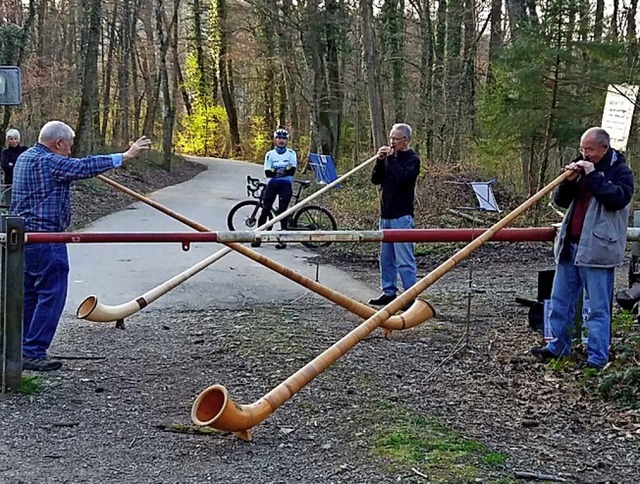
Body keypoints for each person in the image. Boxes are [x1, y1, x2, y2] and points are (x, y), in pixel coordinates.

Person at [10, 120, 151, 371]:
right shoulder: (50, 161)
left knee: (30, 294)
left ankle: (18, 348)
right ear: (58, 143)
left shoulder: (25, 158)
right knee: (52, 294)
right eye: (69, 146)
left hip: (24, 239)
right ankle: (32, 350)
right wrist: (124, 156)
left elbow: (72, 169)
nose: (70, 150)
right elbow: (82, 166)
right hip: (46, 238)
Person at [531, 127, 634, 370]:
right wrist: (568, 182)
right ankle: (558, 347)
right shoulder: (580, 165)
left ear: (604, 148)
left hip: (598, 248)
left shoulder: (622, 172)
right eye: (582, 149)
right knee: (560, 301)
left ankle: (597, 358)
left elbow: (617, 199)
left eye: (589, 149)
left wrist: (594, 175)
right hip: (571, 245)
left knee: (598, 307)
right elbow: (561, 201)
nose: (584, 154)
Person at [368, 123, 420, 308]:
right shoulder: (390, 158)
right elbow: (376, 179)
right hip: (386, 215)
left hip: (402, 215)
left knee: (404, 259)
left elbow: (402, 178)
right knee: (386, 258)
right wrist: (380, 161)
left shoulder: (412, 159)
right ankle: (389, 291)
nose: (392, 142)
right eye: (391, 138)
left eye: (396, 139)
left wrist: (391, 160)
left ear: (406, 140)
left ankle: (409, 296)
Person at [251, 128, 297, 250]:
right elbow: (268, 173)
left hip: (285, 185)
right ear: (275, 139)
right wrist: (282, 170)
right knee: (265, 209)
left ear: (287, 141)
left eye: (284, 138)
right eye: (279, 138)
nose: (281, 141)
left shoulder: (291, 154)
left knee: (283, 212)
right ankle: (258, 237)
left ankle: (282, 240)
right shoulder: (270, 154)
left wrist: (276, 171)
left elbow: (291, 170)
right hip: (272, 184)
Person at [1, 128, 28, 206]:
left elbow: (27, 166)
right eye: (11, 139)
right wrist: (19, 165)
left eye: (15, 138)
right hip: (10, 184)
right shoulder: (5, 153)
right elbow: (5, 166)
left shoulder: (24, 150)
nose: (13, 141)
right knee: (10, 206)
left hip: (24, 184)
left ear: (19, 139)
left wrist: (12, 164)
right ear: (7, 140)